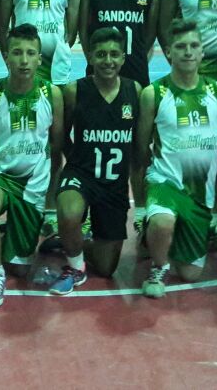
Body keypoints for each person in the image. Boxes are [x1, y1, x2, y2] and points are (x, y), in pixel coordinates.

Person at [136, 19, 217, 298]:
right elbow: (142, 145)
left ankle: (163, 235)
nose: (188, 52)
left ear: (202, 51)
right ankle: (158, 265)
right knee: (163, 222)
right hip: (165, 181)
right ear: (168, 52)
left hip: (200, 191)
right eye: (180, 47)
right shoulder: (154, 93)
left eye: (193, 46)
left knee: (190, 273)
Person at [0, 24, 64, 308]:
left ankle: (5, 232)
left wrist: (50, 204)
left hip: (33, 182)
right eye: (17, 53)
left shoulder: (51, 94)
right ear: (6, 56)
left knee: (21, 269)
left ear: (39, 58)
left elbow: (57, 148)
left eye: (30, 53)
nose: (24, 60)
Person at [48, 27, 141, 295]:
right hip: (82, 175)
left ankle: (70, 242)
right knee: (68, 211)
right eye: (101, 54)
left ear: (123, 57)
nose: (107, 60)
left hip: (114, 184)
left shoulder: (134, 91)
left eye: (113, 54)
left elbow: (139, 144)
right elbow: (61, 137)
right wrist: (76, 161)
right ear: (90, 56)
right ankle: (75, 267)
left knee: (106, 267)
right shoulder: (75, 90)